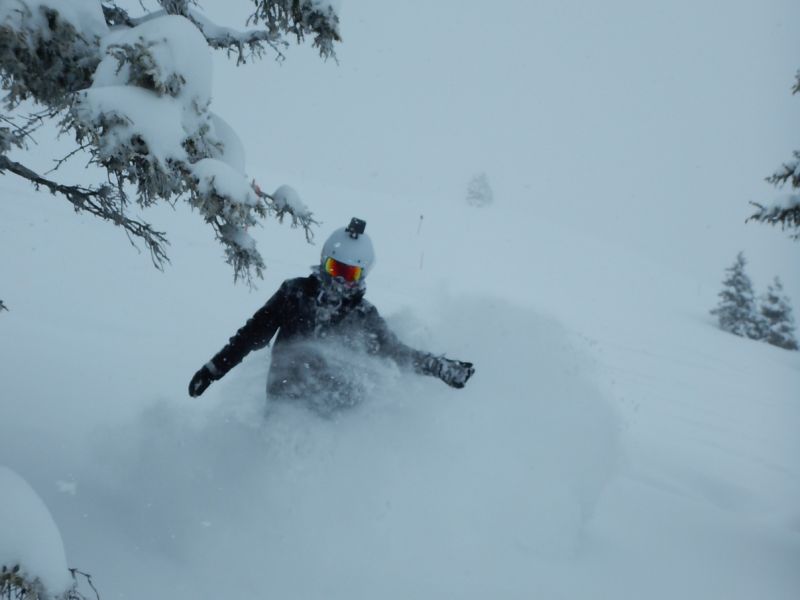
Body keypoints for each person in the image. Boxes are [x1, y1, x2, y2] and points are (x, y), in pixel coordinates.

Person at [188, 218, 475, 405]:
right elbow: (251, 336)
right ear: (324, 262)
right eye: (335, 269)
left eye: (350, 274)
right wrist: (213, 369)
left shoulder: (363, 315)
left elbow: (395, 353)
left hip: (335, 411)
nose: (339, 280)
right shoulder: (293, 294)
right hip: (285, 403)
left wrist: (439, 367)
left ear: (363, 275)